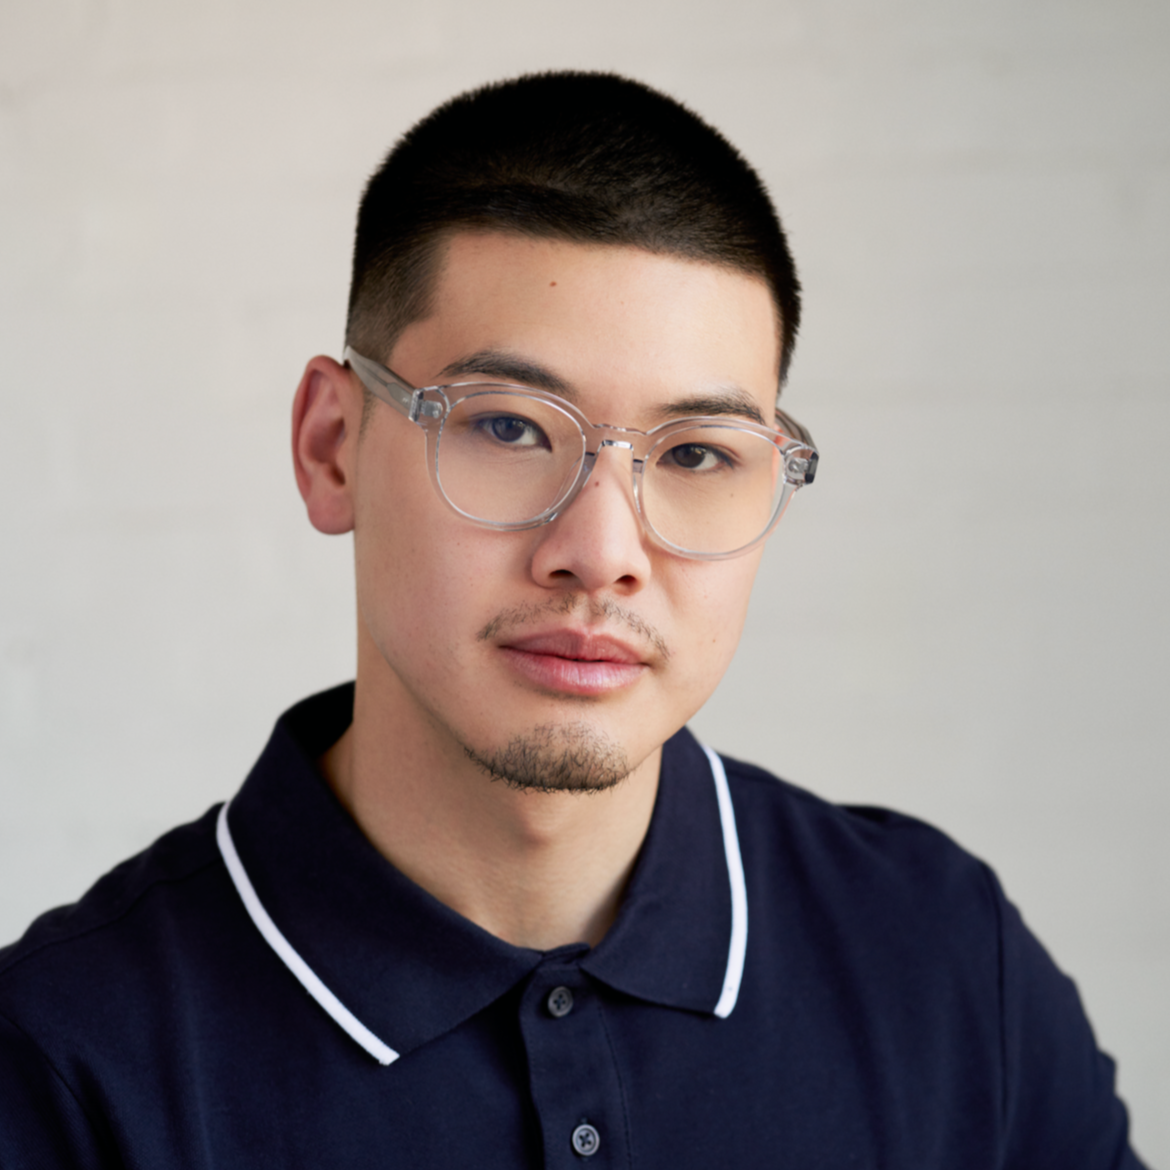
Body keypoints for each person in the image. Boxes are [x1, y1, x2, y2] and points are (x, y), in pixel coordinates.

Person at [0, 71, 1144, 1168]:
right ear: (332, 448)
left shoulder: (942, 962)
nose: (600, 554)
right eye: (507, 428)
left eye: (696, 453)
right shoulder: (62, 1066)